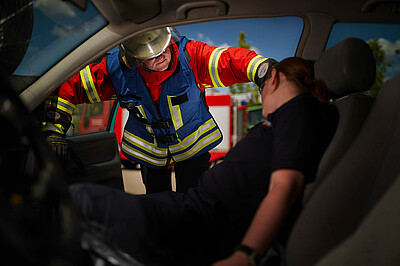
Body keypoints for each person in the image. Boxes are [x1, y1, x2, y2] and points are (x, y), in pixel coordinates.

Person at [69, 57, 339, 265]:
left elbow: (286, 184)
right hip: (192, 211)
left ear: (275, 78)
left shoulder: (300, 109)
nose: (261, 93)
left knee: (81, 201)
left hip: (199, 223)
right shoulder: (288, 117)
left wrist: (246, 255)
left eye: (263, 86)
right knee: (83, 209)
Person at [42, 27, 277, 193]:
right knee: (157, 207)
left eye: (163, 48)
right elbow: (68, 86)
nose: (161, 56)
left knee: (194, 203)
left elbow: (230, 60)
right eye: (150, 55)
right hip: (150, 152)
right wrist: (54, 130)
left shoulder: (191, 56)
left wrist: (263, 70)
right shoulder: (117, 70)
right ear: (134, 57)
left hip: (193, 149)